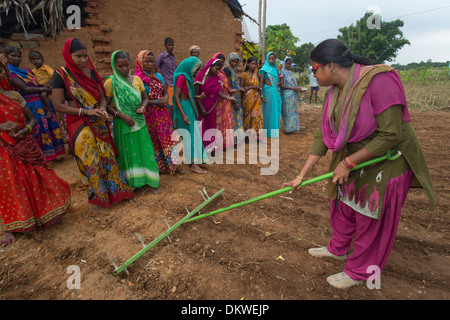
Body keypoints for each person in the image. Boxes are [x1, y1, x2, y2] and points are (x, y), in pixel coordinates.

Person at [282, 39, 434, 290]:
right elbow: (323, 135)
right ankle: (338, 249)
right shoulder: (334, 92)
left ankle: (360, 271)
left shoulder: (379, 81)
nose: (312, 74)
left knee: (368, 215)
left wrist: (348, 162)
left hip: (388, 160)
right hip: (355, 158)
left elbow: (391, 135)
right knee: (342, 206)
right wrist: (301, 175)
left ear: (330, 66)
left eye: (314, 68)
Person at [51, 38, 134, 208]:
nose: (83, 60)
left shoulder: (91, 73)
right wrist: (85, 112)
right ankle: (98, 198)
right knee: (91, 161)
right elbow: (58, 105)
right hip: (79, 123)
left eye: (85, 56)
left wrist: (102, 108)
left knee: (108, 157)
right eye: (78, 56)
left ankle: (116, 193)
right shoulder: (61, 76)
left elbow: (102, 97)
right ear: (68, 55)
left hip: (98, 121)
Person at [0, 61, 71, 245]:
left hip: (25, 143)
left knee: (39, 178)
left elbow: (31, 119)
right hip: (5, 149)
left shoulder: (14, 95)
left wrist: (25, 130)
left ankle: (48, 214)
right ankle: (12, 226)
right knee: (13, 185)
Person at [104, 50, 160, 193]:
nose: (124, 69)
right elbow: (107, 105)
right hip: (123, 124)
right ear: (114, 66)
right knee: (129, 153)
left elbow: (145, 98)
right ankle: (135, 183)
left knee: (145, 150)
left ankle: (150, 181)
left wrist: (143, 107)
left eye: (126, 65)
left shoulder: (137, 80)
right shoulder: (111, 83)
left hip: (139, 122)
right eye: (120, 66)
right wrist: (122, 116)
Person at [5, 46, 65, 162]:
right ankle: (42, 158)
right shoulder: (10, 73)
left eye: (19, 56)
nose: (17, 59)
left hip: (42, 101)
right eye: (13, 56)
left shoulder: (26, 71)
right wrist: (43, 90)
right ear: (7, 57)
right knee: (38, 129)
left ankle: (53, 156)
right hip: (30, 105)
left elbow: (39, 82)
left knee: (49, 127)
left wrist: (45, 88)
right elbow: (25, 88)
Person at [135, 50, 182, 175]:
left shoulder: (158, 76)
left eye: (152, 61)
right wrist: (156, 102)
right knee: (154, 139)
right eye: (147, 61)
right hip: (148, 114)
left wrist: (166, 97)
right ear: (140, 62)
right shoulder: (138, 79)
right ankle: (160, 166)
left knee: (168, 137)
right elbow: (139, 100)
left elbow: (165, 90)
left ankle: (174, 164)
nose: (150, 64)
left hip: (162, 113)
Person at [172, 56, 208, 174]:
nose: (197, 72)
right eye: (196, 69)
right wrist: (183, 115)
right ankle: (194, 164)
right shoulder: (182, 77)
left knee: (195, 134)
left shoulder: (187, 77)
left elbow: (187, 94)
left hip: (189, 107)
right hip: (184, 108)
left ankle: (196, 160)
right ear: (190, 67)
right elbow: (177, 96)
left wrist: (198, 97)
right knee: (191, 136)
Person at [194, 58, 234, 152]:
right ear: (210, 66)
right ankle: (200, 149)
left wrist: (228, 98)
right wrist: (201, 108)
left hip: (211, 108)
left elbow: (219, 93)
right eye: (216, 69)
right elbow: (195, 95)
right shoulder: (200, 77)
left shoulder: (217, 79)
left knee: (210, 127)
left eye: (219, 70)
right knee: (201, 127)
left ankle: (209, 147)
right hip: (201, 108)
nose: (217, 72)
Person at [29, 50, 69, 143]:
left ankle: (49, 110)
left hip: (49, 86)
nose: (36, 61)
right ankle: (49, 110)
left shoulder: (46, 68)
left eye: (38, 59)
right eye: (33, 59)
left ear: (42, 59)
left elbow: (53, 76)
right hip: (41, 88)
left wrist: (49, 85)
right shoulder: (33, 71)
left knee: (44, 95)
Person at [211, 52, 236, 149]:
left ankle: (226, 143)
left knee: (227, 121)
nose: (220, 65)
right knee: (218, 122)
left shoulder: (222, 73)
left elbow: (225, 86)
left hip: (225, 100)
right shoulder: (213, 73)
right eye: (218, 62)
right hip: (217, 101)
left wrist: (229, 91)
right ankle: (218, 144)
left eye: (222, 62)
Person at [239, 56, 264, 140]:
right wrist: (252, 87)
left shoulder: (255, 74)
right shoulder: (244, 75)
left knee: (256, 116)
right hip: (247, 99)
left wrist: (260, 93)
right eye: (252, 64)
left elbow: (259, 86)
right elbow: (241, 88)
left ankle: (256, 136)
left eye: (255, 64)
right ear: (248, 64)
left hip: (256, 99)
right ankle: (247, 136)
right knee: (248, 117)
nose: (254, 65)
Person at [223, 52, 245, 142]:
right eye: (233, 62)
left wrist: (240, 89)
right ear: (229, 60)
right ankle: (233, 140)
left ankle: (237, 139)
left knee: (237, 118)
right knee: (233, 120)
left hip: (236, 97)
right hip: (232, 99)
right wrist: (234, 102)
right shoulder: (227, 70)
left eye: (236, 62)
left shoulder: (233, 70)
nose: (234, 64)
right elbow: (228, 87)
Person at [259, 52, 282, 138]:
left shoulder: (276, 70)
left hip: (275, 91)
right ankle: (268, 132)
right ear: (267, 59)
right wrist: (261, 95)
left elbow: (277, 80)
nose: (271, 60)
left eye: (273, 59)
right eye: (270, 59)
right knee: (268, 111)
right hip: (267, 91)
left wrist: (279, 83)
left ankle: (274, 132)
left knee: (275, 111)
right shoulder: (264, 69)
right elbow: (261, 83)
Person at [280, 57, 303, 134]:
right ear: (284, 63)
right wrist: (293, 88)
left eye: (289, 64)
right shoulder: (282, 73)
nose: (288, 65)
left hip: (293, 94)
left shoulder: (290, 72)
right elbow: (282, 85)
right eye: (287, 64)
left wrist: (296, 88)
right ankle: (287, 129)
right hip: (287, 95)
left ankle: (292, 127)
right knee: (287, 111)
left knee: (293, 111)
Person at [156, 37, 177, 106]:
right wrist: (162, 81)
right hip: (167, 84)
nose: (171, 47)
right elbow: (155, 68)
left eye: (172, 45)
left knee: (175, 105)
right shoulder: (161, 56)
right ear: (165, 45)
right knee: (169, 105)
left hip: (175, 84)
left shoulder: (173, 57)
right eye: (169, 45)